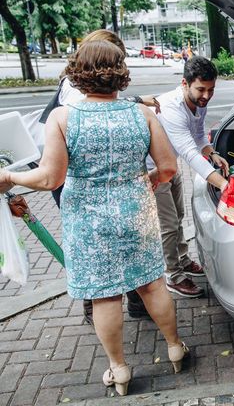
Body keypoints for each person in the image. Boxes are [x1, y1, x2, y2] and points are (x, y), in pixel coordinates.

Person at [0, 41, 189, 396]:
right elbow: (167, 168)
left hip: (88, 221)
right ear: (120, 73)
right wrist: (142, 182)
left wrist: (10, 178)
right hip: (136, 211)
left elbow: (49, 178)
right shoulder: (142, 114)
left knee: (104, 296)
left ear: (78, 73)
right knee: (151, 284)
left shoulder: (63, 117)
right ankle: (175, 347)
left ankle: (119, 370)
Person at [36, 29, 160, 325]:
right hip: (73, 174)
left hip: (93, 180)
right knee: (96, 254)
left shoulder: (91, 93)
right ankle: (95, 303)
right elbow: (90, 107)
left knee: (114, 247)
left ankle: (129, 302)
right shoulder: (72, 91)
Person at [148, 56, 229, 298]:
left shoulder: (198, 103)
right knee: (168, 224)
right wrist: (223, 184)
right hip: (153, 170)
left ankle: (183, 260)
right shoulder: (172, 107)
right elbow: (189, 153)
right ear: (185, 83)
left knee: (178, 216)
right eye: (201, 89)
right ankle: (172, 274)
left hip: (169, 165)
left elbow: (198, 136)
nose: (206, 96)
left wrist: (213, 154)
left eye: (211, 90)